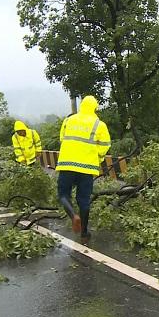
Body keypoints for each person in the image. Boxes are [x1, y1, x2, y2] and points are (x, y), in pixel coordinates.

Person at [56, 96, 111, 244]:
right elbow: (105, 146)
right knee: (84, 200)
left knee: (63, 194)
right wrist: (97, 158)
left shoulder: (68, 120)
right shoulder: (99, 124)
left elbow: (62, 139)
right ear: (94, 108)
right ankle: (84, 233)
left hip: (67, 164)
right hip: (87, 167)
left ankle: (74, 216)